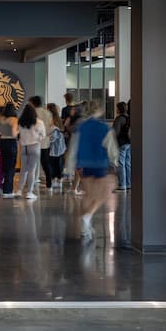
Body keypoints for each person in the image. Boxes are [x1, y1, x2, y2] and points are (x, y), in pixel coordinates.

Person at [66, 101, 119, 243]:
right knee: (103, 193)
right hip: (100, 164)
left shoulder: (80, 128)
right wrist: (115, 161)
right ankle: (87, 216)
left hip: (83, 164)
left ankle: (85, 227)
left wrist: (70, 168)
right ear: (99, 111)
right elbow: (111, 147)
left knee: (88, 195)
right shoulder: (104, 128)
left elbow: (73, 147)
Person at [17, 103, 47, 200]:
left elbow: (18, 134)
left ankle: (19, 190)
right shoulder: (39, 122)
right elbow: (43, 135)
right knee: (32, 171)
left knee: (23, 170)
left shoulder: (20, 122)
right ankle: (29, 192)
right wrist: (38, 137)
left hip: (24, 147)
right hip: (34, 147)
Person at [0, 103, 19, 199]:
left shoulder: (1, 119)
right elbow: (14, 133)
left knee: (5, 166)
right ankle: (8, 190)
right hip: (11, 143)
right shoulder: (14, 120)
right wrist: (18, 132)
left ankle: (4, 186)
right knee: (11, 167)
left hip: (3, 143)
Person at [30, 96, 53, 190]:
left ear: (33, 103)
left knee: (33, 162)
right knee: (45, 162)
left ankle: (34, 179)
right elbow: (51, 126)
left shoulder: (32, 112)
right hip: (45, 140)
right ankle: (49, 181)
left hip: (34, 141)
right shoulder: (48, 113)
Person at [47, 103, 67, 190]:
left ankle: (55, 180)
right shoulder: (58, 119)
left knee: (53, 163)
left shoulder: (51, 119)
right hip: (60, 146)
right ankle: (59, 180)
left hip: (54, 145)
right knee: (59, 163)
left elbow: (53, 135)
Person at [113, 102, 131, 192]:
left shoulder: (119, 119)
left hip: (121, 143)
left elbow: (115, 132)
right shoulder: (129, 118)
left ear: (119, 109)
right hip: (129, 142)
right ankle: (128, 183)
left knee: (121, 164)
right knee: (128, 164)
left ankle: (122, 185)